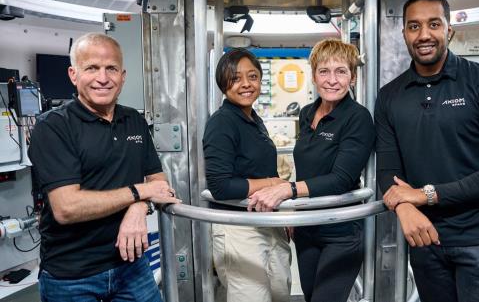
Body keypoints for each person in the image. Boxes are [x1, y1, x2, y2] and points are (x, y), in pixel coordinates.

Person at [374, 0, 479, 302]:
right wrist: (403, 206)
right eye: (413, 26)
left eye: (433, 24)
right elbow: (389, 171)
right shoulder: (390, 96)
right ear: (403, 33)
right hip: (427, 238)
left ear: (449, 30)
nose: (424, 35)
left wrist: (425, 195)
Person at [28, 33, 180, 302]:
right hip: (73, 278)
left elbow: (159, 184)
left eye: (111, 68)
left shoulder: (134, 120)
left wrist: (138, 207)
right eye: (92, 68)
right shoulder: (53, 126)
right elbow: (67, 208)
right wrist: (139, 192)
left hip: (132, 267)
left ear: (123, 76)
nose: (103, 78)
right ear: (73, 75)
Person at [250, 38, 375, 302]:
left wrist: (289, 190)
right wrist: (298, 211)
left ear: (352, 77)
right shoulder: (307, 113)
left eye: (341, 71)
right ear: (314, 75)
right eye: (324, 71)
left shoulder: (358, 117)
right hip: (306, 228)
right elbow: (308, 167)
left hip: (340, 232)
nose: (332, 80)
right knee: (310, 297)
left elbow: (341, 179)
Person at [202, 48, 291, 302]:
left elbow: (263, 167)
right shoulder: (222, 122)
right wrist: (274, 184)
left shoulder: (253, 118)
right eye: (236, 78)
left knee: (280, 292)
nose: (246, 84)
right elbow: (220, 186)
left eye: (252, 76)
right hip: (238, 227)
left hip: (267, 221)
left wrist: (282, 213)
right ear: (223, 82)